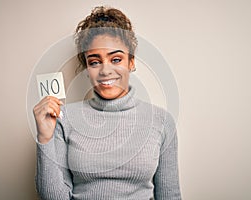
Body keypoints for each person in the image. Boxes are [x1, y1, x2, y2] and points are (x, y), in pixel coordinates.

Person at [33, 6, 181, 200]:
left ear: (131, 62)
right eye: (94, 62)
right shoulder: (63, 118)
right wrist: (44, 137)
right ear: (87, 68)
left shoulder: (162, 121)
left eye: (116, 59)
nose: (105, 70)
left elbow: (170, 195)